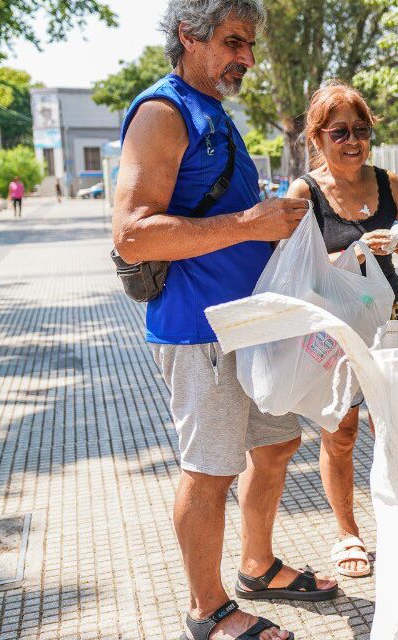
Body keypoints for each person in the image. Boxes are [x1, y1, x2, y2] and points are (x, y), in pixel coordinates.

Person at [111, 2, 337, 639]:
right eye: (235, 42)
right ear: (189, 35)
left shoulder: (213, 111)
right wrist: (251, 224)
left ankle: (257, 565)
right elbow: (132, 235)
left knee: (277, 445)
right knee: (210, 469)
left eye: (250, 45)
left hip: (251, 324)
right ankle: (206, 611)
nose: (247, 58)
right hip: (198, 330)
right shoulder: (163, 113)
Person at [285, 81, 398, 579]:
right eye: (340, 131)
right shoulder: (304, 192)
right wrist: (351, 254)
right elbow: (291, 272)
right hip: (334, 327)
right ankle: (348, 532)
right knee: (342, 432)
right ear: (317, 138)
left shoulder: (388, 180)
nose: (353, 140)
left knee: (397, 423)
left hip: (390, 320)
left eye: (362, 130)